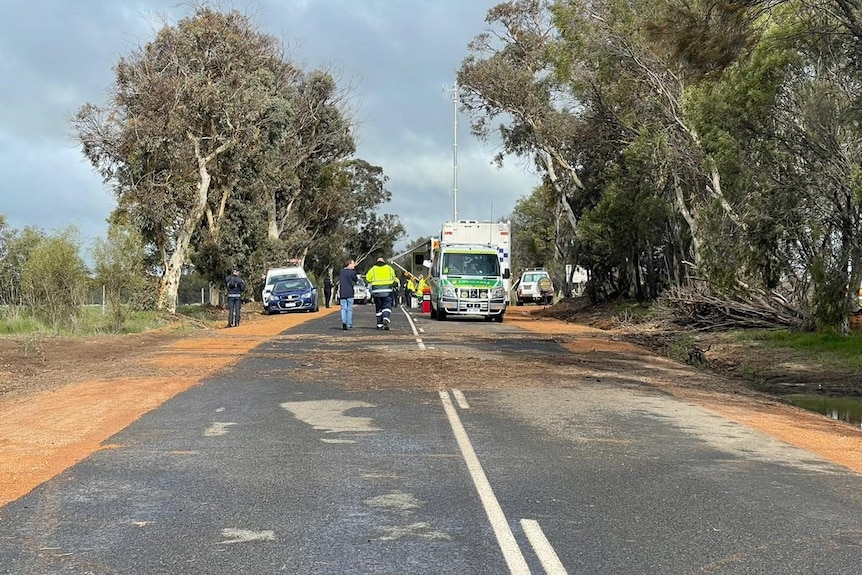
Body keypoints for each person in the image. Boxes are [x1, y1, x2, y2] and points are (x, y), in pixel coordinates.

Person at [365, 256, 399, 330]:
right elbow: (394, 278)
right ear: (384, 262)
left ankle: (379, 325)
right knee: (387, 306)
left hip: (376, 292)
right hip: (387, 291)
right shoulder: (389, 268)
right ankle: (386, 317)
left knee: (378, 308)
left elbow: (367, 278)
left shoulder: (373, 269)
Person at [338, 259, 359, 331]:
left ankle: (344, 321)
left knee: (343, 308)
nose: (354, 266)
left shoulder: (341, 272)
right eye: (353, 264)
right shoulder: (352, 272)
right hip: (350, 292)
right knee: (349, 309)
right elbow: (356, 280)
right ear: (349, 264)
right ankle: (349, 324)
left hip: (342, 292)